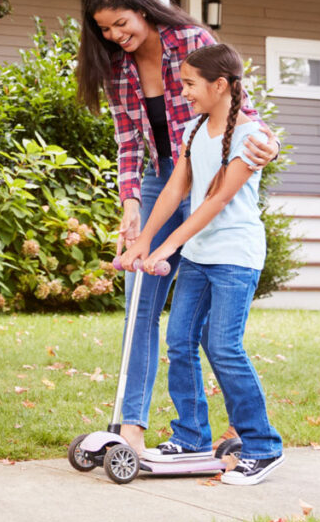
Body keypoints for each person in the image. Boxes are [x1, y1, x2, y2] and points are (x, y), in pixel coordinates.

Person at [76, 0, 277, 454]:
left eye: (121, 23)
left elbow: (234, 103)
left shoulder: (190, 40)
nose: (114, 36)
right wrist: (131, 204)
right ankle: (132, 427)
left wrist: (265, 140)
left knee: (211, 331)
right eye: (104, 28)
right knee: (142, 305)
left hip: (207, 172)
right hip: (160, 181)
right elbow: (128, 141)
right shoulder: (116, 66)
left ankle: (240, 431)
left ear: (141, 9)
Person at [121, 43, 283, 484]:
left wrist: (164, 248)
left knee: (224, 346)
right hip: (199, 257)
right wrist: (143, 243)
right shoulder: (194, 131)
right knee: (179, 341)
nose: (184, 91)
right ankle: (191, 435)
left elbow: (216, 200)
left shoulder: (251, 138)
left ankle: (263, 446)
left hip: (235, 258)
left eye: (191, 84)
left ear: (220, 85)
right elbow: (175, 190)